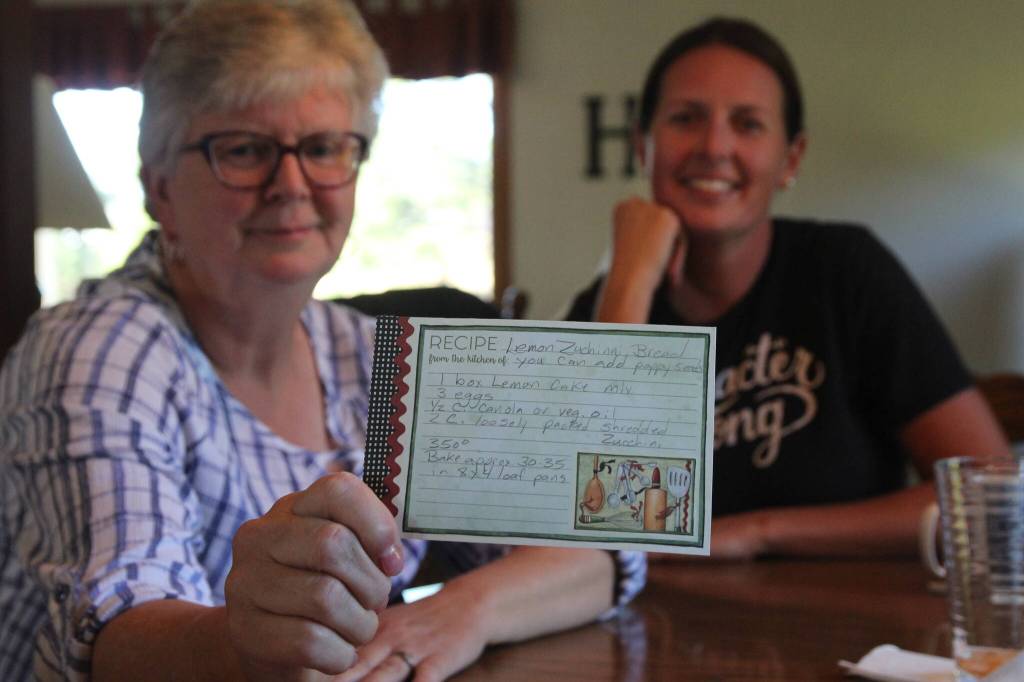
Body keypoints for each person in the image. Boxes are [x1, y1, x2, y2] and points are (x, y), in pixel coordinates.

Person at [0, 2, 645, 680]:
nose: (291, 186)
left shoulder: (370, 354)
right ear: (158, 186)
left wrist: (464, 610)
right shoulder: (102, 350)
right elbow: (112, 638)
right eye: (244, 149)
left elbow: (602, 549)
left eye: (323, 148)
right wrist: (248, 647)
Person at [565, 17, 1010, 561]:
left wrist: (760, 531)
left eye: (748, 124)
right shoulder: (610, 308)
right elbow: (596, 528)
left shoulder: (845, 271)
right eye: (686, 118)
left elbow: (990, 494)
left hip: (850, 629)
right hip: (658, 631)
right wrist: (629, 276)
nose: (714, 145)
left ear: (790, 159)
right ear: (643, 146)